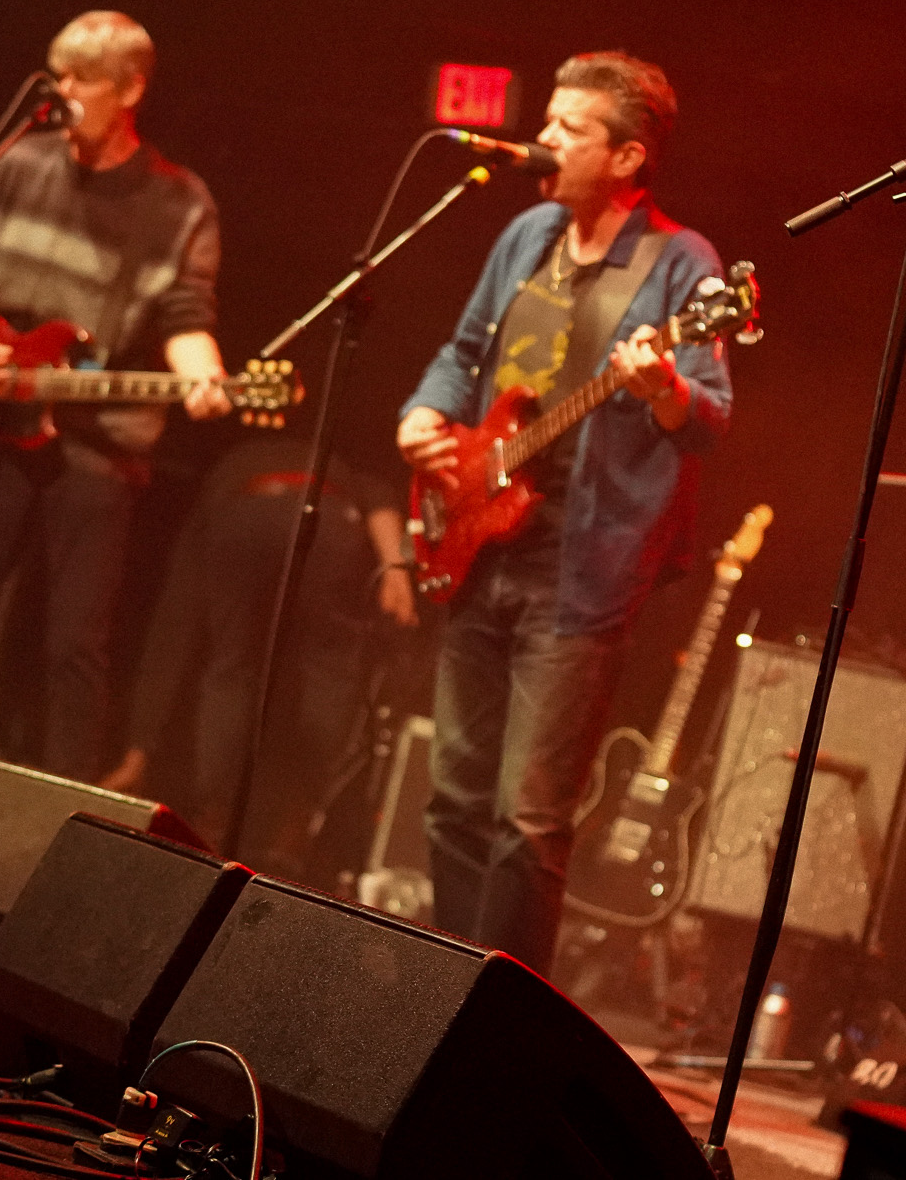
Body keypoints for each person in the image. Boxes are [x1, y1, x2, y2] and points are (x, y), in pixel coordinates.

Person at [397, 51, 732, 976]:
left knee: (529, 818)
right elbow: (465, 353)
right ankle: (440, 987)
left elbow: (707, 417)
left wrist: (662, 385)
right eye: (547, 120)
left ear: (627, 157)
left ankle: (501, 1016)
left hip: (579, 572)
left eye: (567, 128)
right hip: (480, 545)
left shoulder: (684, 263)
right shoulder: (527, 235)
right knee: (453, 797)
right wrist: (425, 413)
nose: (541, 139)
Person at [0, 10, 230, 781]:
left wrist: (206, 373)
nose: (65, 91)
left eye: (84, 78)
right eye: (59, 74)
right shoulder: (15, 163)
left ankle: (63, 818)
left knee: (73, 650)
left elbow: (186, 316)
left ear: (131, 90)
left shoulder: (179, 202)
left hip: (98, 448)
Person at [111, 433, 419, 857]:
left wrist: (138, 751)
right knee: (330, 670)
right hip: (329, 514)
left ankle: (215, 820)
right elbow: (379, 495)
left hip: (241, 512)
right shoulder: (345, 458)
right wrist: (395, 569)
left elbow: (174, 626)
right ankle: (298, 824)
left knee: (232, 668)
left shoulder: (231, 462)